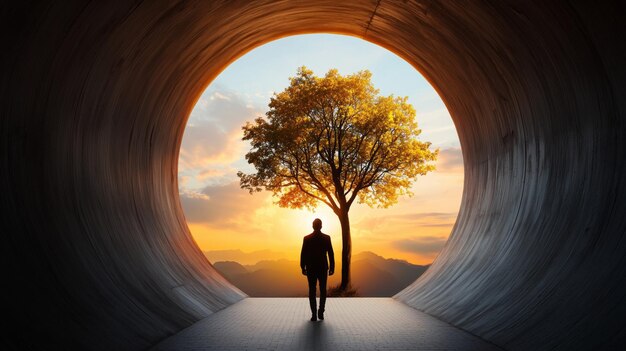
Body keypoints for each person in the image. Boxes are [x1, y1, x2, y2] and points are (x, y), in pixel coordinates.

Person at [300, 218, 335, 321]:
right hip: (323, 267)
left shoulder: (307, 238)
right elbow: (331, 254)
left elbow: (303, 254)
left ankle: (314, 314)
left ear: (312, 226)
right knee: (323, 290)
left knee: (312, 291)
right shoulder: (326, 238)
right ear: (321, 226)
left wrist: (302, 267)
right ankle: (321, 312)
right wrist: (332, 267)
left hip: (311, 267)